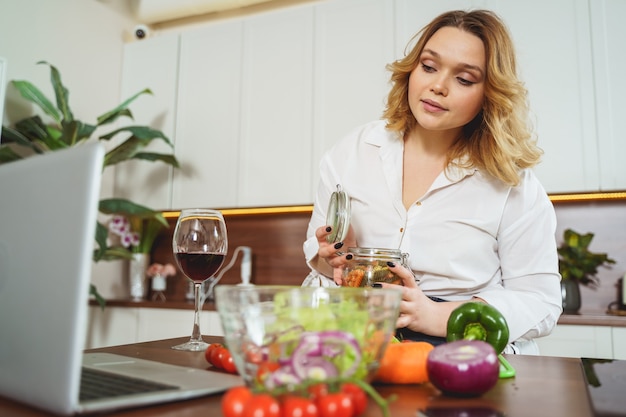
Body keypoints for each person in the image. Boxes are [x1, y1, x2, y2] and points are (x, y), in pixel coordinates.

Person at [302, 9, 562, 354]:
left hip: (463, 350)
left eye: (464, 79)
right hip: (356, 344)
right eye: (428, 66)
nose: (437, 86)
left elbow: (539, 301)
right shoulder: (351, 152)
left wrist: (437, 316)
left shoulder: (513, 183)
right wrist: (332, 260)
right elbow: (319, 258)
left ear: (490, 94)